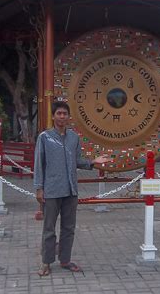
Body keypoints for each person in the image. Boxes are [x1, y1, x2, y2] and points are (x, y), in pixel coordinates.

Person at [34, 101, 111, 277]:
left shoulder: (74, 138)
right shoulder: (44, 137)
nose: (62, 116)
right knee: (49, 229)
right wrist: (39, 188)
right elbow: (38, 164)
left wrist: (93, 162)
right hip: (51, 190)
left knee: (69, 227)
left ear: (69, 117)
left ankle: (65, 260)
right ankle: (46, 262)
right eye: (58, 113)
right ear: (53, 116)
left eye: (65, 114)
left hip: (70, 191)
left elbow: (77, 160)